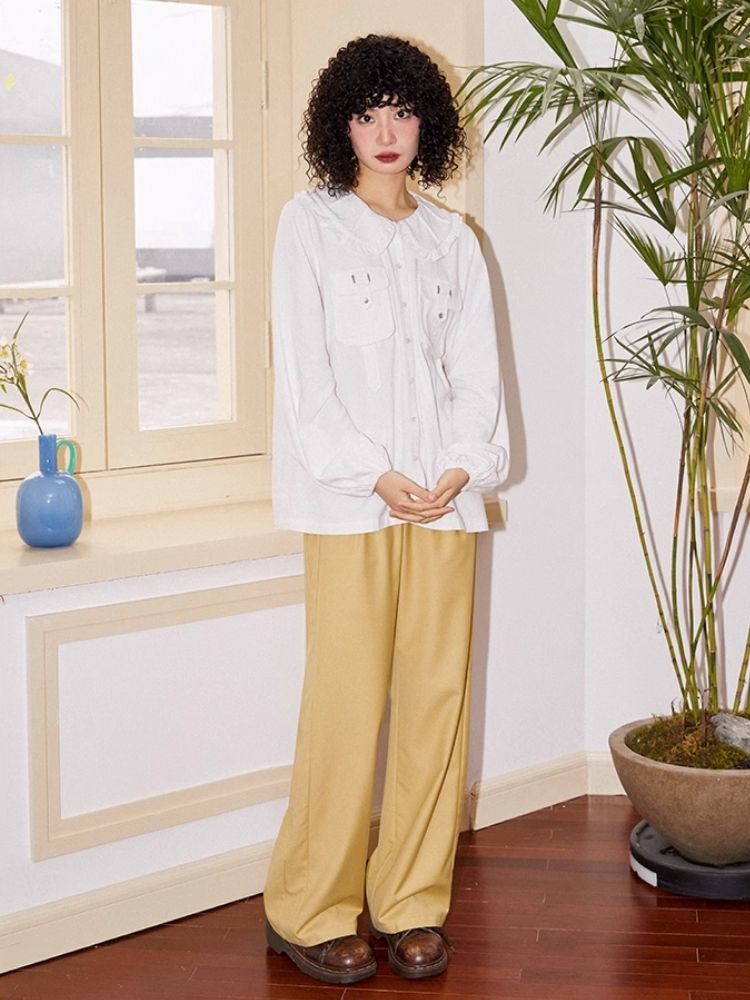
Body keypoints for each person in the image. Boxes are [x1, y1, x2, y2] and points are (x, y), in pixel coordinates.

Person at [263, 33, 509, 986]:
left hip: (443, 505)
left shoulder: (455, 240)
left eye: (402, 110)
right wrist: (372, 474)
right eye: (366, 113)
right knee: (345, 702)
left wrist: (461, 467)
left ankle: (411, 902)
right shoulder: (309, 226)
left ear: (426, 121)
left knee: (435, 706)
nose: (385, 130)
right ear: (341, 125)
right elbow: (306, 379)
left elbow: (476, 376)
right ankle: (308, 907)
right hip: (352, 505)